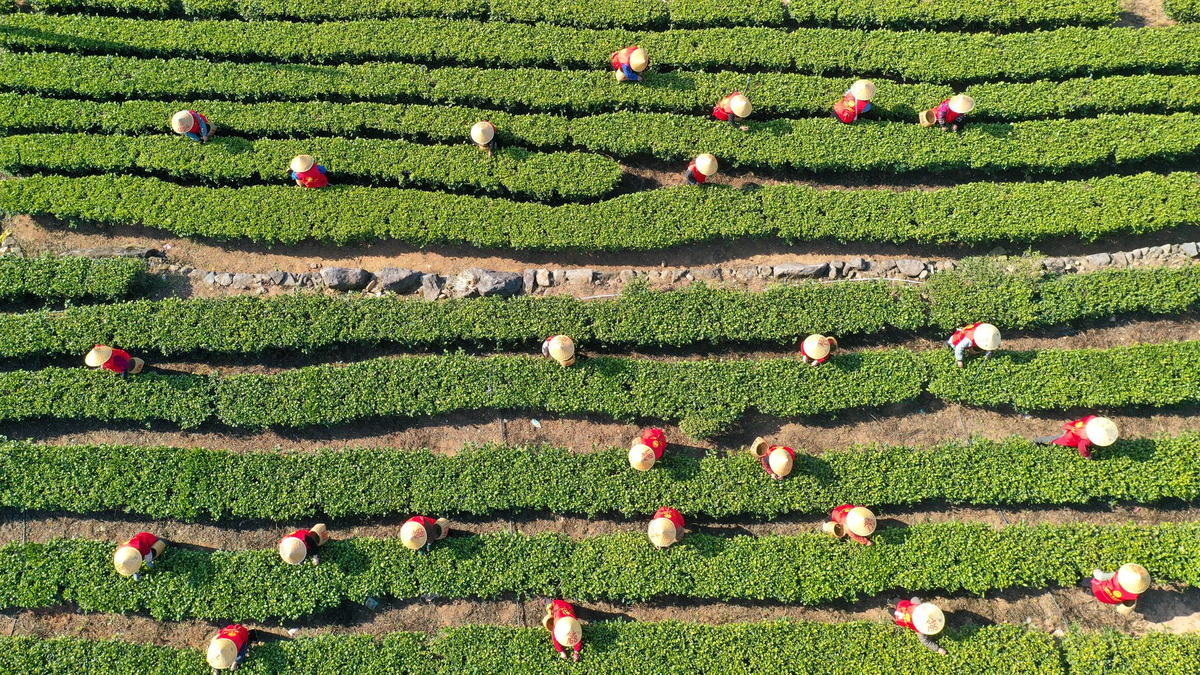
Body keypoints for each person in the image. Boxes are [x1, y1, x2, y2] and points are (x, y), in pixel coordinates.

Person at [1034, 415, 1118, 460]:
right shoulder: (1085, 439)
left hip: (1076, 427)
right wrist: (1087, 456)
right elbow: (1082, 449)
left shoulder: (1093, 418)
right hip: (1070, 436)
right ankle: (1038, 441)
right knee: (1056, 440)